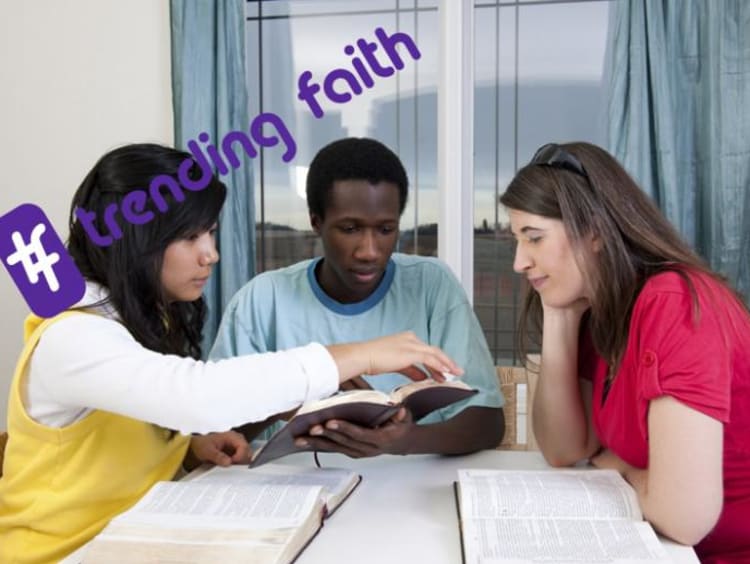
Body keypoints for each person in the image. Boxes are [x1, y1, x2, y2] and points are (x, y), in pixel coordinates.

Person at [0, 144, 463, 564]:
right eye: (190, 239)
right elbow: (195, 395)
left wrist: (187, 447)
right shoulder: (72, 338)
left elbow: (126, 422)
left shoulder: (142, 321)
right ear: (135, 241)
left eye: (212, 234)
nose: (211, 255)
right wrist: (357, 354)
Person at [500, 141, 750, 563]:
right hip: (661, 548)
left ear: (594, 231)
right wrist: (559, 317)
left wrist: (618, 469)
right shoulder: (605, 311)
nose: (519, 262)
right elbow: (565, 450)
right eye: (516, 241)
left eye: (535, 239)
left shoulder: (674, 303)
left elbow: (685, 515)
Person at [211, 137, 505, 458]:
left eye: (385, 229)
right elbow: (213, 436)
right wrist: (291, 392)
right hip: (296, 491)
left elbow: (488, 421)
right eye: (350, 228)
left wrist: (405, 441)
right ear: (316, 222)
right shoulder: (261, 300)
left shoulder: (432, 284)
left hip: (413, 491)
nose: (369, 251)